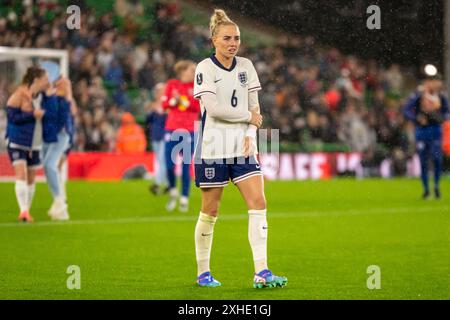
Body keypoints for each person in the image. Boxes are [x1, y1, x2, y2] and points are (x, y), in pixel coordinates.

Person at [192, 9, 287, 288]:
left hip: (243, 147)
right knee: (210, 210)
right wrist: (248, 118)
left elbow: (255, 108)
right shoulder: (204, 69)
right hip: (212, 148)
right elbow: (214, 109)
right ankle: (203, 273)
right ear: (214, 40)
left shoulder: (246, 66)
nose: (233, 43)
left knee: (259, 203)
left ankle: (262, 271)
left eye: (237, 38)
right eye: (227, 38)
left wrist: (250, 131)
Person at [5, 67, 48, 222]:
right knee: (21, 174)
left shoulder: (41, 96)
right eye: (45, 79)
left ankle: (26, 211)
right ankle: (23, 211)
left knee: (31, 177)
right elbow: (12, 117)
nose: (47, 82)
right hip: (18, 140)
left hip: (35, 142)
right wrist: (31, 114)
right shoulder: (19, 95)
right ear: (36, 80)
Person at [162, 60, 200, 212]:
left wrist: (180, 101)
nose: (194, 73)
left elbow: (197, 107)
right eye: (192, 70)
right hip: (171, 129)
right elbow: (165, 104)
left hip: (188, 131)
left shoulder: (196, 87)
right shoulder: (172, 84)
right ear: (183, 71)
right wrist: (174, 101)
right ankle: (172, 191)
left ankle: (184, 198)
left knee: (185, 166)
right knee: (169, 166)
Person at [403, 74, 449, 199]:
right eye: (433, 81)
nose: (435, 84)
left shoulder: (441, 96)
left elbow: (447, 112)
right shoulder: (419, 95)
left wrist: (441, 118)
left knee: (436, 159)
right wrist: (416, 118)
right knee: (423, 161)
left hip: (435, 129)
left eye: (437, 81)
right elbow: (406, 109)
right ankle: (426, 189)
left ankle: (436, 185)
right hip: (422, 131)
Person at [40, 71, 75, 221]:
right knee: (49, 167)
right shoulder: (47, 94)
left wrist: (68, 93)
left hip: (61, 134)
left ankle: (60, 200)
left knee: (51, 165)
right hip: (48, 134)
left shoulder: (63, 97)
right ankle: (59, 201)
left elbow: (71, 112)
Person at [146, 83, 169, 195]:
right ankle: (168, 184)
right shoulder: (153, 105)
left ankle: (158, 183)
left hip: (164, 135)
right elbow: (148, 120)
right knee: (160, 160)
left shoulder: (168, 105)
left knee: (162, 160)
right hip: (155, 135)